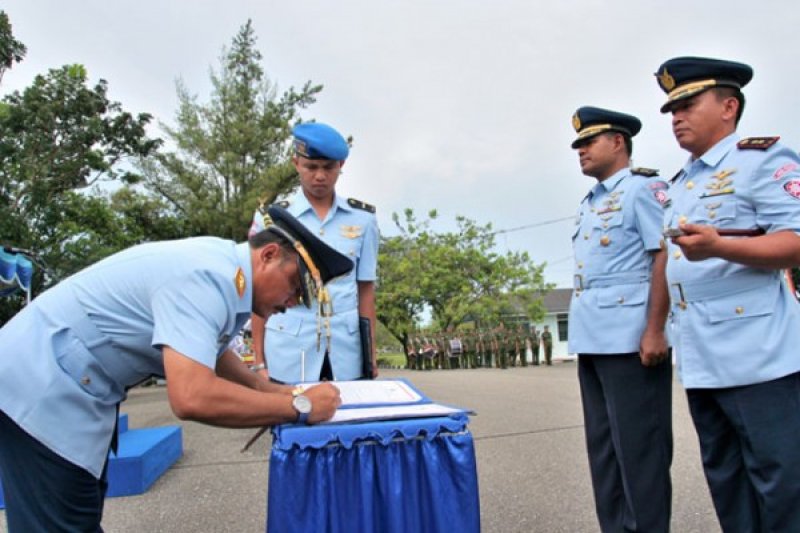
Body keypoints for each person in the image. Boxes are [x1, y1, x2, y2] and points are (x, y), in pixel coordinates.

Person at [0, 206, 351, 531]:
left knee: (78, 515)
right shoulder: (206, 277)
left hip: (68, 388)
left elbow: (205, 350)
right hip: (41, 387)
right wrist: (298, 408)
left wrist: (270, 390)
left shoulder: (224, 269)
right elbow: (192, 397)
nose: (292, 304)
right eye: (294, 286)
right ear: (269, 255)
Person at [654, 56, 800, 531]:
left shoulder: (762, 160)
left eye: (688, 105)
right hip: (703, 358)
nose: (676, 117)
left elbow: (796, 239)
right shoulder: (681, 183)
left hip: (760, 359)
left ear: (728, 107)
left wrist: (722, 246)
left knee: (780, 485)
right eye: (672, 110)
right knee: (727, 482)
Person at [568, 106, 673, 532]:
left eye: (589, 141)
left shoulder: (643, 189)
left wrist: (655, 329)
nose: (581, 151)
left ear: (618, 142)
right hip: (592, 338)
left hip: (632, 341)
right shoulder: (590, 202)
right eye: (577, 145)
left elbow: (662, 255)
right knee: (605, 452)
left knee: (640, 451)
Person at [249, 122, 380, 383]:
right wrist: (258, 360)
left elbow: (365, 288)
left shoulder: (363, 219)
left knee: (345, 419)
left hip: (345, 352)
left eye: (328, 167)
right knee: (289, 419)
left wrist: (371, 354)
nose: (320, 176)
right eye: (311, 167)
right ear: (296, 163)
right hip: (288, 349)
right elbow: (257, 292)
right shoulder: (271, 218)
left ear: (340, 166)